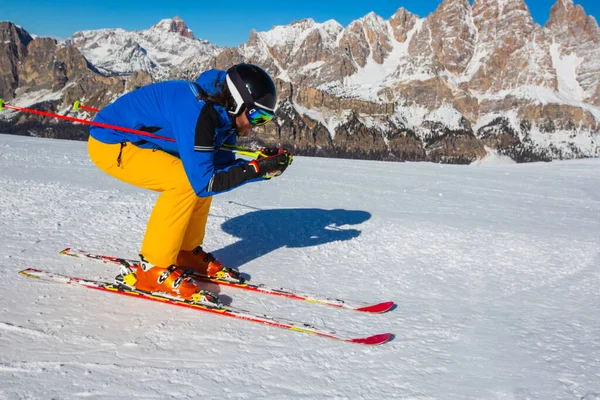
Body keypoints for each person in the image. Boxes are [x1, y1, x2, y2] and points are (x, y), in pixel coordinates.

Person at [87, 63, 292, 301]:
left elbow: (220, 170)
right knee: (185, 182)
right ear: (236, 102)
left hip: (140, 142)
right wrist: (255, 170)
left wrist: (263, 169)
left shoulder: (222, 111)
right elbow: (205, 182)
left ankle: (185, 251)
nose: (257, 124)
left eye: (265, 117)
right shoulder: (201, 112)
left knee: (199, 178)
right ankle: (152, 267)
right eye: (257, 115)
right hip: (111, 143)